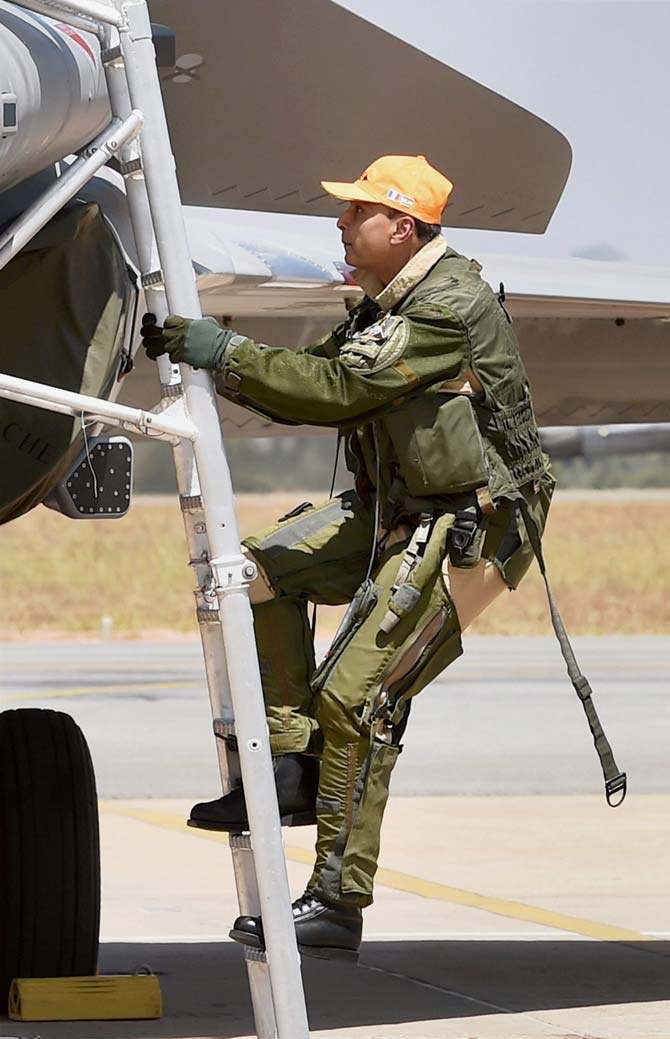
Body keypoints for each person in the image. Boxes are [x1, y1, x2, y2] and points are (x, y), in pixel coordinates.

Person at [141, 154, 555, 962]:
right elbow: (313, 382)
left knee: (358, 698)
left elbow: (333, 392)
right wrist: (206, 357)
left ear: (403, 227)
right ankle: (294, 767)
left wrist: (217, 347)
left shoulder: (442, 308)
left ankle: (337, 902)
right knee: (255, 569)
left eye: (356, 211)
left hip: (474, 526)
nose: (339, 222)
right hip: (395, 511)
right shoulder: (384, 305)